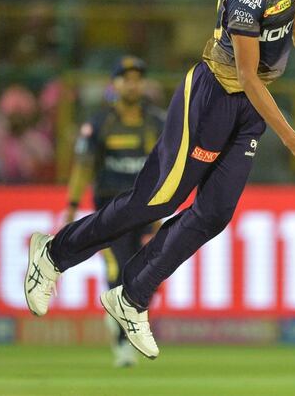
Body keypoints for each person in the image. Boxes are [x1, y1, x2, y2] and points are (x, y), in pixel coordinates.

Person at [25, 0, 295, 360]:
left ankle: (131, 296)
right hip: (215, 95)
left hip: (249, 106)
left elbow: (286, 9)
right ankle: (52, 255)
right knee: (156, 200)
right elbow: (246, 74)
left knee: (215, 212)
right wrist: (291, 138)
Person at [63, 56, 165, 367]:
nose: (132, 84)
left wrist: (162, 211)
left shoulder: (156, 122)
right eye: (126, 78)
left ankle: (122, 325)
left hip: (143, 210)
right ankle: (123, 342)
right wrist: (71, 206)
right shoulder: (99, 123)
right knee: (116, 270)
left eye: (137, 78)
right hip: (109, 211)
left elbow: (164, 168)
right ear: (115, 84)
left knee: (143, 274)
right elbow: (83, 165)